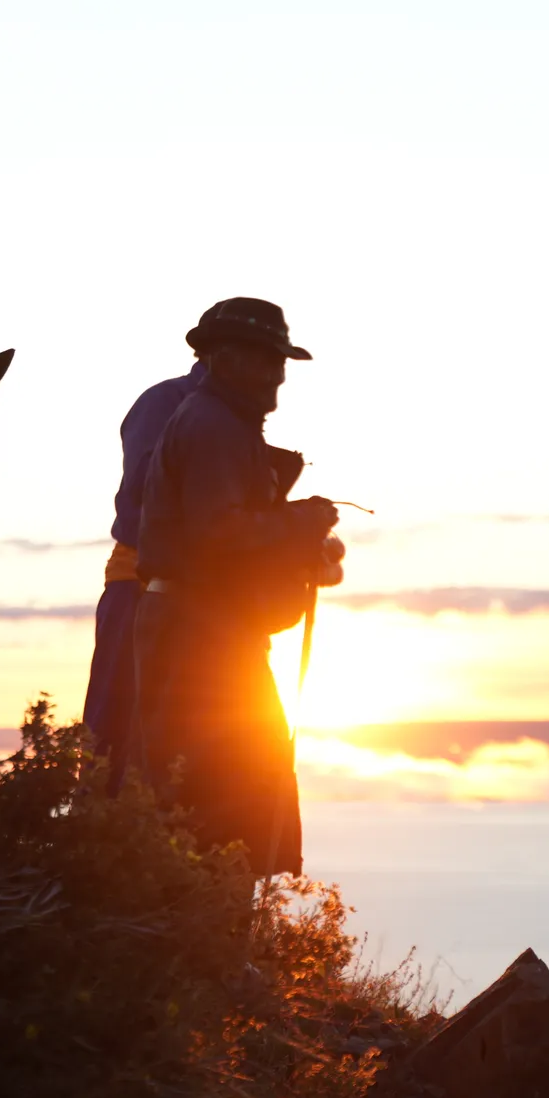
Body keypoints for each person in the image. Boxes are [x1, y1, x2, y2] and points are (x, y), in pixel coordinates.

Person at [134, 297, 343, 877]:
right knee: (218, 802)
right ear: (225, 359)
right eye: (266, 359)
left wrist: (299, 537)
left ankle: (214, 949)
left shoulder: (222, 422)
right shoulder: (214, 425)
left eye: (280, 361)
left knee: (228, 799)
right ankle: (210, 950)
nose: (278, 374)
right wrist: (301, 523)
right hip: (201, 642)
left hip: (207, 634)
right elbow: (218, 536)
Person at [81, 349, 207, 788]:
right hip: (140, 592)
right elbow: (144, 503)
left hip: (205, 604)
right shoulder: (166, 403)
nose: (274, 375)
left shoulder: (232, 418)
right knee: (118, 735)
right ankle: (107, 839)